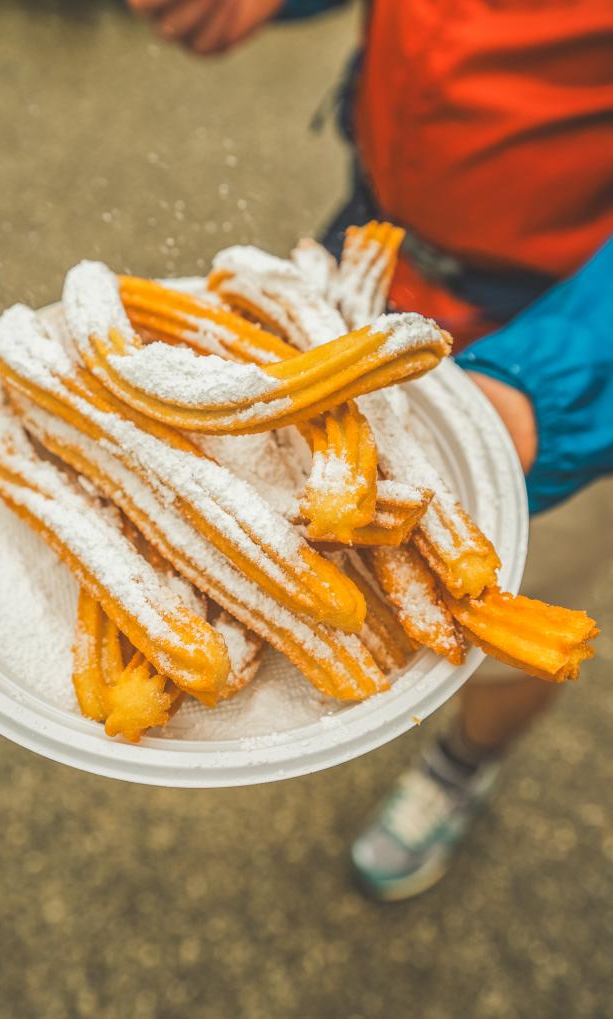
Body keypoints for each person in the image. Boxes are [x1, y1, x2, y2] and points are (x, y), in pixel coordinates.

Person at [126, 0, 613, 898]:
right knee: (268, 520)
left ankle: (461, 766)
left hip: (557, 329)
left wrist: (559, 385)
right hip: (377, 247)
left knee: (499, 620)